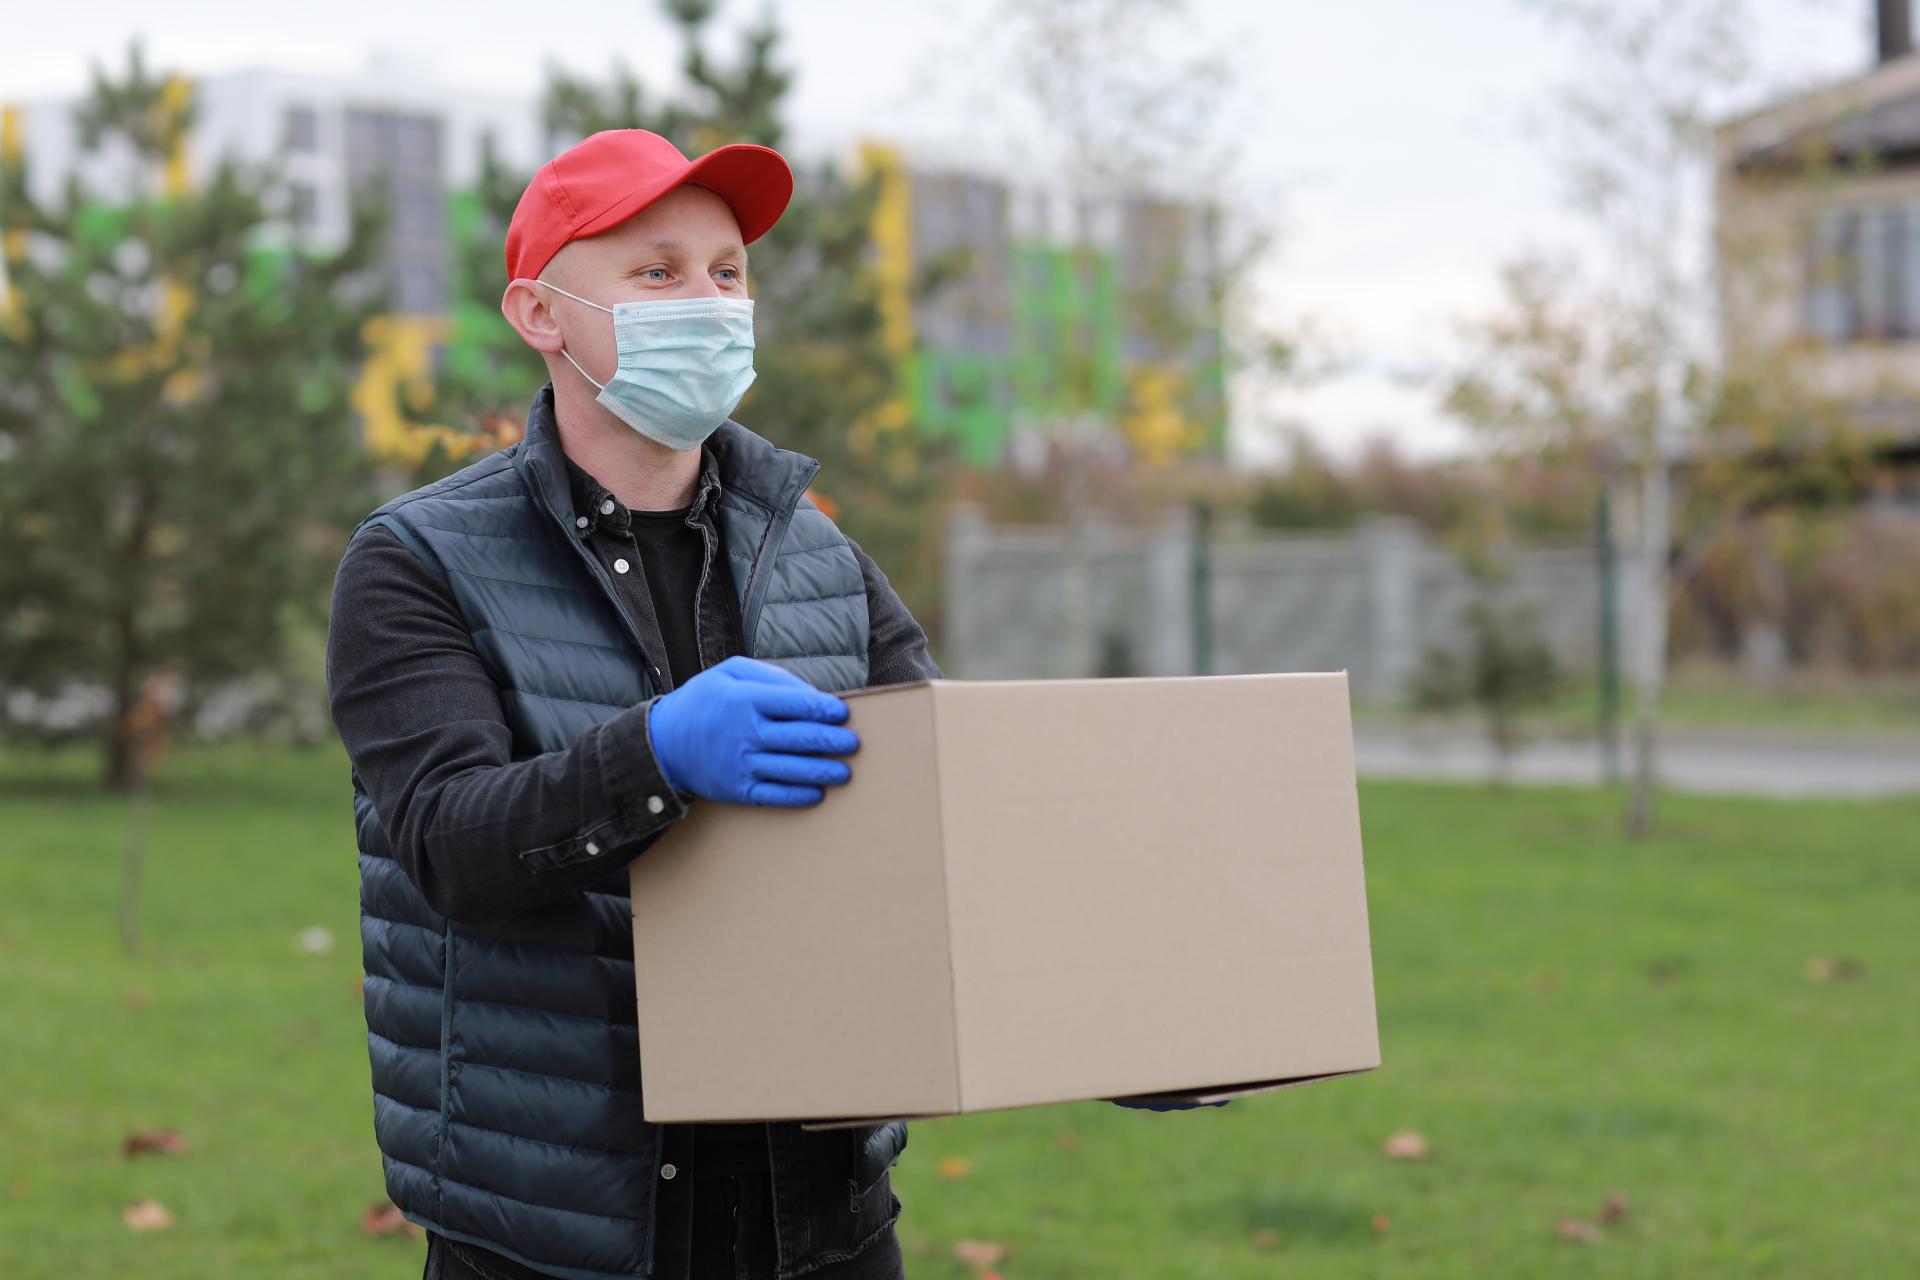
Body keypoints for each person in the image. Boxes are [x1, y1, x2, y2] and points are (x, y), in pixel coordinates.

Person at [324, 128, 933, 1280]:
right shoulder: (416, 561)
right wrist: (655, 756)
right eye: (657, 272)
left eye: (726, 271)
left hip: (817, 1213)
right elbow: (451, 845)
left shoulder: (819, 556)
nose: (706, 299)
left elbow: (950, 824)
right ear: (540, 314)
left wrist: (1122, 1026)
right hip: (559, 1221)